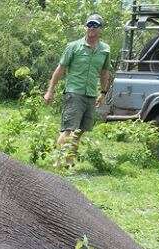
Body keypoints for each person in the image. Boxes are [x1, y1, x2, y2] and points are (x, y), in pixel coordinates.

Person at [43, 14, 112, 166]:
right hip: (74, 92)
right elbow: (60, 69)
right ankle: (58, 162)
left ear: (100, 29)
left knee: (81, 130)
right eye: (89, 25)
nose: (91, 28)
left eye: (95, 25)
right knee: (68, 129)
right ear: (85, 27)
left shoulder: (105, 50)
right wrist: (50, 90)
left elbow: (105, 72)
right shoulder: (73, 46)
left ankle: (69, 161)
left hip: (91, 94)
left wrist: (103, 92)